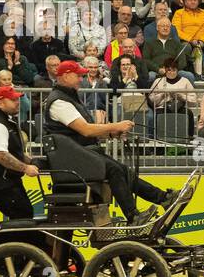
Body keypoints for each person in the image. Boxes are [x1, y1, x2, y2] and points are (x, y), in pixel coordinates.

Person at [44, 60, 175, 225]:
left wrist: (111, 133)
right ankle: (133, 215)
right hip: (72, 161)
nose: (80, 79)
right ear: (64, 76)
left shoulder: (68, 97)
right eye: (77, 75)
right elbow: (86, 130)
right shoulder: (59, 102)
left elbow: (81, 133)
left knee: (122, 169)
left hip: (81, 154)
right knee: (113, 169)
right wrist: (116, 125)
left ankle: (163, 198)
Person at [0, 84, 39, 221]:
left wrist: (30, 161)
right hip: (2, 184)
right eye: (13, 100)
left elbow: (11, 151)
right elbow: (0, 154)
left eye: (17, 99)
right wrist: (25, 167)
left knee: (24, 216)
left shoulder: (5, 121)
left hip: (9, 182)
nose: (18, 102)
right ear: (0, 103)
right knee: (22, 218)